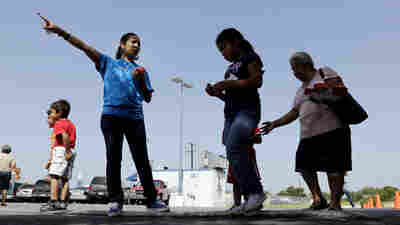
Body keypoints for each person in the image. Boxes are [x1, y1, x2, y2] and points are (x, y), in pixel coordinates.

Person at [38, 14, 169, 216]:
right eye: (133, 42)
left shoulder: (141, 70)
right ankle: (116, 201)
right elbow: (84, 46)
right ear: (122, 44)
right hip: (111, 117)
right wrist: (59, 31)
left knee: (142, 159)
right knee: (113, 158)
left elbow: (147, 97)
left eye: (139, 44)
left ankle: (151, 200)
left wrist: (140, 79)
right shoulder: (108, 63)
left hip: (135, 118)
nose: (137, 46)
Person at [261, 52, 352, 211]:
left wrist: (323, 95)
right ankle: (318, 199)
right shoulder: (300, 91)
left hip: (333, 129)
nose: (294, 73)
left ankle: (335, 203)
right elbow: (294, 113)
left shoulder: (324, 73)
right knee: (304, 167)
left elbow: (341, 92)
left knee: (334, 169)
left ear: (305, 65)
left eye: (294, 68)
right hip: (308, 135)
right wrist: (274, 124)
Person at [206, 28, 265, 213]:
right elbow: (231, 96)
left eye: (224, 48)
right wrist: (218, 94)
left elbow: (256, 81)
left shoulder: (250, 57)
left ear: (236, 42)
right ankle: (248, 198)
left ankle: (255, 192)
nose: (223, 53)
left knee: (234, 147)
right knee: (233, 153)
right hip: (231, 113)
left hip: (247, 111)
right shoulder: (229, 69)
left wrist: (228, 84)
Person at [41, 99, 77, 212]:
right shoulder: (70, 124)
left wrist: (65, 151)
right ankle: (62, 202)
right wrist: (69, 151)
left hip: (62, 149)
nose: (49, 115)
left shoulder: (59, 124)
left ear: (59, 113)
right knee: (65, 178)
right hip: (71, 150)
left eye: (51, 112)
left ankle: (53, 201)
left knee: (54, 176)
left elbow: (64, 136)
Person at [227, 129, 262, 214]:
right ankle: (237, 204)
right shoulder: (230, 125)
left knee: (249, 177)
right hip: (233, 153)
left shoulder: (251, 124)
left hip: (247, 153)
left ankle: (251, 202)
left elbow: (259, 139)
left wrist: (245, 138)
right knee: (234, 179)